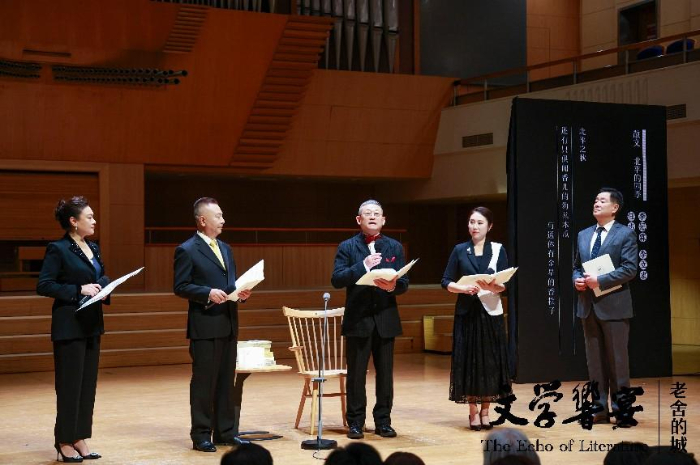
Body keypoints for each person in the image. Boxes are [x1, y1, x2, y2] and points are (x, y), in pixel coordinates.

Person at [174, 197, 252, 452]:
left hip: (228, 322)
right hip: (205, 325)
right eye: (218, 216)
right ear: (202, 220)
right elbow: (181, 286)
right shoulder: (187, 249)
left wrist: (240, 293)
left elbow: (229, 284)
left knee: (225, 381)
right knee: (204, 383)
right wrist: (207, 292)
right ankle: (201, 435)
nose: (223, 220)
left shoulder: (226, 248)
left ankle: (225, 432)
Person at [37, 196, 110, 462]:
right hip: (69, 326)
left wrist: (104, 287)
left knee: (87, 387)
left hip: (92, 324)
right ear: (73, 221)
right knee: (69, 386)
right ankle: (64, 441)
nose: (94, 221)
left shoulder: (93, 247)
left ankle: (79, 436)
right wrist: (79, 290)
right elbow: (44, 285)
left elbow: (100, 276)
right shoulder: (58, 249)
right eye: (89, 217)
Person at [331, 199, 409, 439]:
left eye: (377, 213)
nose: (372, 216)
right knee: (356, 375)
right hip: (358, 319)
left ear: (383, 220)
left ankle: (383, 421)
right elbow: (337, 279)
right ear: (359, 219)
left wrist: (392, 286)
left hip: (385, 318)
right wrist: (362, 266)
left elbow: (404, 283)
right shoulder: (347, 246)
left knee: (385, 375)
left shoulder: (394, 246)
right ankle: (355, 422)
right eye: (368, 213)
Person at [441, 206, 511, 431]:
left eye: (480, 223)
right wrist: (462, 288)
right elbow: (446, 281)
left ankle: (486, 411)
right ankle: (472, 411)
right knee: (468, 361)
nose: (475, 226)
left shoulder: (498, 249)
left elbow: (506, 284)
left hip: (490, 313)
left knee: (489, 362)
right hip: (467, 312)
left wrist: (496, 286)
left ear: (489, 226)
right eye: (472, 222)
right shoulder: (460, 250)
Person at [573, 188, 638, 425]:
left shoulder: (625, 234)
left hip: (615, 307)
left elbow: (630, 269)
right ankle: (599, 410)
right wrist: (577, 280)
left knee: (617, 363)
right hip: (588, 306)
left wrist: (599, 280)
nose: (597, 203)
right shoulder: (583, 235)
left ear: (615, 207)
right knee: (595, 363)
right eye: (595, 200)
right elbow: (577, 266)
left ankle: (623, 412)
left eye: (602, 200)